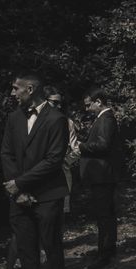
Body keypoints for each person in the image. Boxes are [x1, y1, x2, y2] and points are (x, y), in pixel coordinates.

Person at [0, 72, 69, 269]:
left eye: (16, 88)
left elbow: (54, 160)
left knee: (52, 246)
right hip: (19, 196)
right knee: (26, 248)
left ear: (30, 88)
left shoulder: (57, 118)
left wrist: (20, 183)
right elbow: (6, 154)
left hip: (48, 194)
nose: (12, 93)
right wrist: (17, 189)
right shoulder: (14, 118)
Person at [79, 86, 122, 269]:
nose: (87, 109)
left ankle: (104, 254)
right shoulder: (103, 118)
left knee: (104, 216)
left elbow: (103, 145)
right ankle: (107, 250)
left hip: (103, 175)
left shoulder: (106, 118)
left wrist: (80, 146)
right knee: (106, 215)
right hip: (104, 175)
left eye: (89, 105)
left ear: (98, 102)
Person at [44, 86, 80, 217]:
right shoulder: (33, 122)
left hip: (61, 173)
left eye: (60, 103)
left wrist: (65, 161)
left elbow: (76, 149)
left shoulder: (67, 123)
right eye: (54, 102)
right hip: (39, 174)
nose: (58, 106)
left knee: (58, 212)